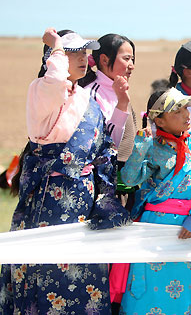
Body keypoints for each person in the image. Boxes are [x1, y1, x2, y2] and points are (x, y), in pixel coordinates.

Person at [0, 28, 130, 314]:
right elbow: (55, 80)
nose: (83, 58)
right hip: (49, 206)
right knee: (47, 277)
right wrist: (57, 45)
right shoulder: (42, 92)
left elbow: (107, 144)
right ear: (55, 59)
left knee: (85, 280)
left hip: (83, 205)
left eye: (85, 52)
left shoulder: (85, 99)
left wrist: (121, 106)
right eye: (75, 53)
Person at [119, 88, 191, 314]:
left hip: (187, 231)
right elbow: (129, 179)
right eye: (177, 111)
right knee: (145, 293)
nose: (186, 115)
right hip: (154, 229)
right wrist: (141, 146)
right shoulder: (151, 147)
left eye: (185, 109)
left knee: (183, 298)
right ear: (159, 120)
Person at [79, 33, 138, 211]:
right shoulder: (92, 94)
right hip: (101, 184)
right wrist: (122, 104)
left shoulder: (116, 89)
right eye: (126, 58)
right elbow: (105, 143)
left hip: (123, 182)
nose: (131, 66)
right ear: (104, 60)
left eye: (132, 59)